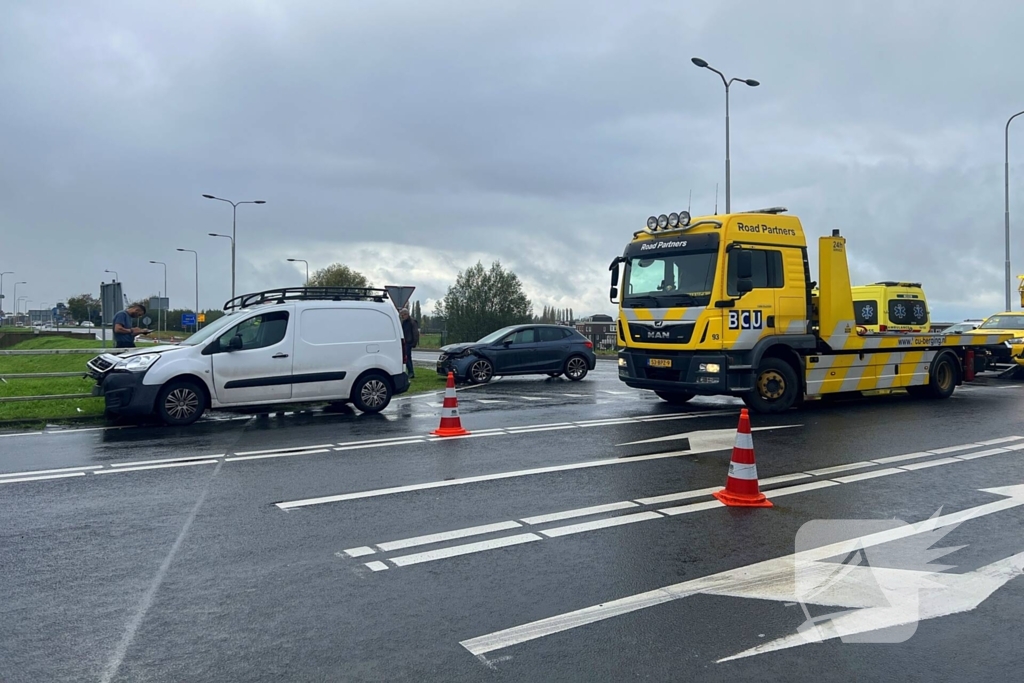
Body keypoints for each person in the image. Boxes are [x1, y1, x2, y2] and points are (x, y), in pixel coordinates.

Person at [399, 308, 420, 377]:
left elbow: (415, 333)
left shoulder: (412, 322)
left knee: (407, 357)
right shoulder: (404, 322)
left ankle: (411, 372)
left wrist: (414, 343)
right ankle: (410, 372)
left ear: (406, 314)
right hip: (405, 341)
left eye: (403, 315)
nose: (402, 317)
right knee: (408, 357)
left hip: (409, 342)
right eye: (402, 315)